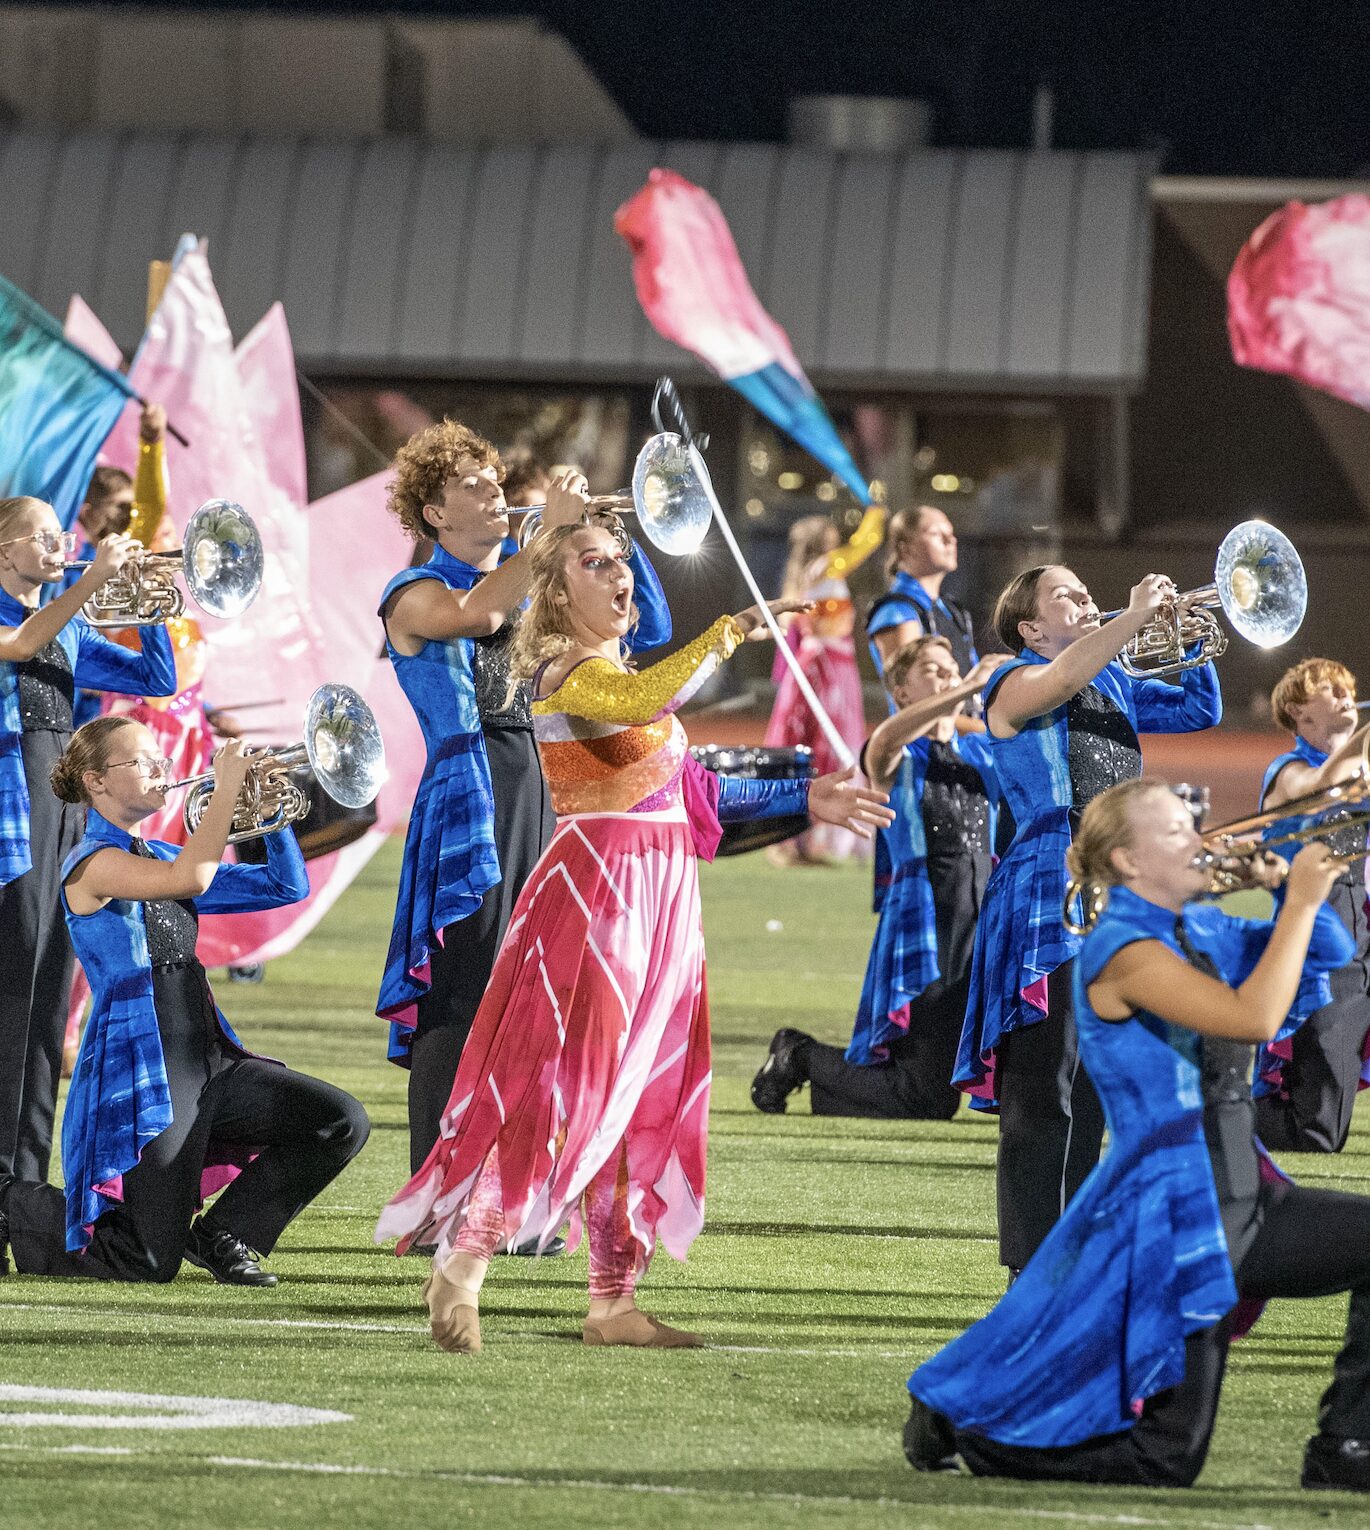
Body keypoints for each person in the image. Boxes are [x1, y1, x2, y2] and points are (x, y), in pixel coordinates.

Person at [377, 517, 893, 1352]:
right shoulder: (559, 669)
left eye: (622, 562)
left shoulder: (621, 674)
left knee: (647, 1093)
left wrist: (810, 798)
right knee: (568, 1090)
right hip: (597, 895)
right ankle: (462, 1264)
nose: (619, 576)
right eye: (595, 563)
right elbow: (631, 702)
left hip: (661, 900)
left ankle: (612, 1301)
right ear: (556, 587)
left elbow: (692, 795)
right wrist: (723, 636)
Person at [906, 778, 1370, 1494]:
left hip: (1245, 1197)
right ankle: (972, 1436)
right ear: (1126, 861)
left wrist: (1283, 891)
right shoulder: (1122, 950)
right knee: (1164, 1461)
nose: (1200, 839)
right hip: (1178, 1218)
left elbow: (1329, 955)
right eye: (1178, 832)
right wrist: (1303, 900)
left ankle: (1344, 1447)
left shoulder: (1200, 929)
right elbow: (1251, 1018)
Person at [375, 420, 674, 1187]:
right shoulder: (413, 593)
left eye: (495, 479)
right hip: (472, 796)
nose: (494, 493)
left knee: (537, 992)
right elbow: (476, 616)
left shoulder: (531, 570)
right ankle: (439, 1190)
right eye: (472, 485)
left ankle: (512, 1190)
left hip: (550, 788)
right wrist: (553, 535)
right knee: (463, 992)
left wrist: (606, 545)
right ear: (434, 513)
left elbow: (653, 629)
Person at [0, 717, 369, 1284]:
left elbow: (284, 887)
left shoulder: (162, 854)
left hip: (204, 1054)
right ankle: (10, 1203)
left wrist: (267, 817)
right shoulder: (90, 863)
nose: (161, 769)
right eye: (140, 761)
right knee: (144, 1261)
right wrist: (225, 791)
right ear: (96, 782)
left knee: (338, 1120)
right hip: (143, 1065)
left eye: (158, 758)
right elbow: (191, 878)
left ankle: (228, 1232)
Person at [956, 565, 1222, 1278]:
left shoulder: (1117, 679)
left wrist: (1180, 638)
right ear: (1030, 627)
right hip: (1049, 879)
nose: (1084, 599)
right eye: (1065, 595)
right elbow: (1061, 683)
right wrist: (1131, 618)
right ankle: (1030, 1265)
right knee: (1046, 1085)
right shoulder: (1008, 679)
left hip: (1117, 889)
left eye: (1084, 590)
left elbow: (1199, 712)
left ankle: (1078, 1260)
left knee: (1098, 1086)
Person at [0, 496, 176, 1183]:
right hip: (13, 811)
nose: (56, 543)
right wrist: (94, 579)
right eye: (38, 536)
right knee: (14, 980)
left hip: (64, 812)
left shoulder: (67, 622)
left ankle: (22, 1178)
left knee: (48, 992)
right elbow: (19, 644)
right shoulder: (42, 615)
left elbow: (154, 680)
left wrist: (152, 606)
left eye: (58, 535)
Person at [752, 636, 1001, 1118]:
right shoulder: (897, 755)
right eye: (930, 669)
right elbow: (887, 740)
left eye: (951, 667)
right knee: (927, 1099)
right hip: (925, 921)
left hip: (980, 921)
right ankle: (799, 1053)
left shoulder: (981, 752)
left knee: (940, 1090)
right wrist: (966, 687)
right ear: (901, 691)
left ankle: (827, 1077)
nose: (947, 674)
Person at [1252, 658, 1370, 1152]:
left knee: (1327, 1122)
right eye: (1330, 690)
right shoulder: (1288, 770)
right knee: (1314, 1128)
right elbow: (1321, 792)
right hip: (1314, 924)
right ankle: (1215, 1118)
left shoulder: (1359, 772)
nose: (1346, 695)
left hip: (1356, 916)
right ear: (1299, 712)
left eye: (1348, 688)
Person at [763, 515, 872, 864]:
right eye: (830, 531)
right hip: (827, 668)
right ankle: (810, 838)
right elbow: (865, 544)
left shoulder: (808, 575)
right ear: (819, 541)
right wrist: (876, 514)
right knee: (825, 747)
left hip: (823, 663)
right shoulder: (826, 566)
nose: (836, 533)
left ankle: (801, 838)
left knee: (809, 746)